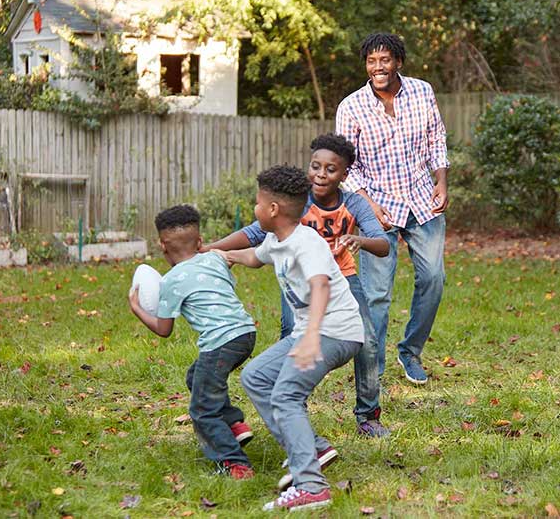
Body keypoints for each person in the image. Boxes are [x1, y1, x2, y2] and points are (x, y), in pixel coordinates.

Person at [204, 133, 391, 438]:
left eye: (330, 169)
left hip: (343, 277)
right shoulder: (297, 203)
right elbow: (253, 236)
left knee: (367, 343)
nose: (320, 174)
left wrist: (361, 239)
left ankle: (368, 414)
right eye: (315, 166)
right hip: (300, 281)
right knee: (291, 336)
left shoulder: (354, 203)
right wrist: (211, 247)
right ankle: (294, 409)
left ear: (344, 174)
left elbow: (383, 244)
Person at [214, 165, 364, 512]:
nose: (255, 208)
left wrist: (311, 336)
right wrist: (220, 255)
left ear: (272, 209)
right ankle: (310, 448)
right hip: (310, 332)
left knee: (285, 394)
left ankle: (311, 486)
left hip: (335, 332)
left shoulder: (306, 242)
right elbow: (254, 256)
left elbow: (320, 284)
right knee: (256, 377)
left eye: (257, 202)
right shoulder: (277, 240)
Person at [335, 32, 449, 385]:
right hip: (376, 206)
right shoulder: (351, 106)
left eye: (385, 59)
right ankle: (372, 366)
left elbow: (436, 138)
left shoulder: (422, 91)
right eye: (372, 61)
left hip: (421, 201)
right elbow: (345, 165)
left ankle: (410, 351)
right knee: (377, 293)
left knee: (433, 279)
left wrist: (441, 180)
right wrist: (369, 206)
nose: (378, 67)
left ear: (398, 61)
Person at [128, 204, 257, 480]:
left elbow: (164, 330)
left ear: (163, 246)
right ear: (200, 242)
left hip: (220, 343)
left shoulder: (171, 281)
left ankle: (236, 464)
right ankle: (234, 424)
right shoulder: (215, 259)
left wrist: (138, 309)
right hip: (246, 334)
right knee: (196, 375)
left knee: (202, 410)